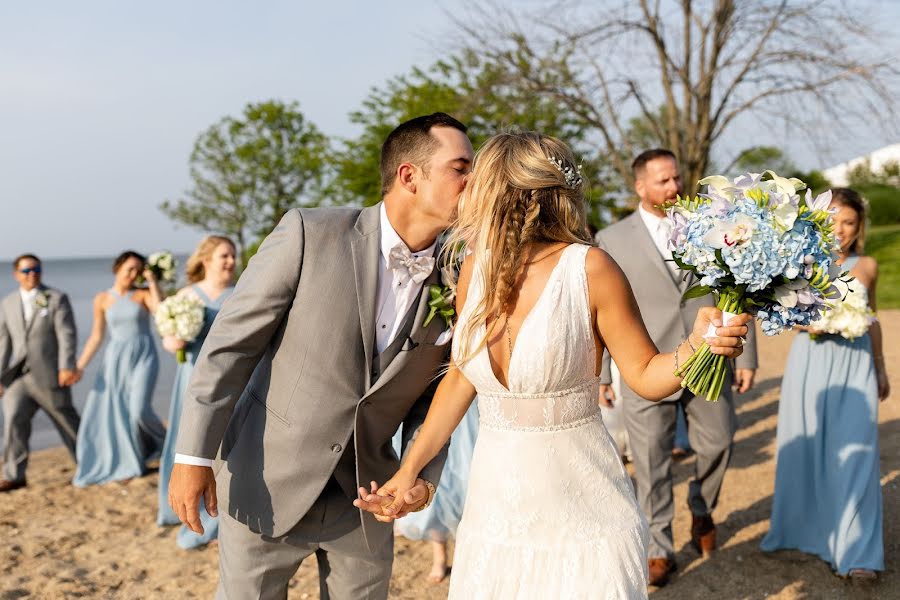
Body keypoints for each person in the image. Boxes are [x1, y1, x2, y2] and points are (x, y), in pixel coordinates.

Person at [360, 131, 750, 599]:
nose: (468, 194)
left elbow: (646, 377)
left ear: (507, 193)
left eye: (479, 181)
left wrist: (700, 344)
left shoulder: (590, 268)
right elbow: (462, 377)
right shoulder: (472, 270)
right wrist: (410, 470)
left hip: (583, 511)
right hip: (494, 516)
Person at [167, 113, 474, 599]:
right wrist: (191, 457)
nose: (474, 181)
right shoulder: (311, 232)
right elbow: (230, 347)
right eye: (462, 167)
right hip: (266, 483)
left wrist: (421, 481)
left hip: (368, 498)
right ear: (409, 176)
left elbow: (437, 392)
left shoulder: (461, 277)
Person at [595, 149, 758, 586]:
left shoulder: (714, 225)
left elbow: (739, 286)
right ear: (640, 186)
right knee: (650, 463)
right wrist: (603, 374)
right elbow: (603, 310)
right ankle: (659, 547)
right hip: (644, 364)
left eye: (676, 179)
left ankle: (701, 508)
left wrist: (750, 354)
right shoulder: (611, 239)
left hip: (710, 357)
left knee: (720, 441)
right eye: (663, 181)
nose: (673, 187)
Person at [761, 188, 890, 580]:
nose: (841, 229)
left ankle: (860, 553)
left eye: (850, 222)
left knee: (859, 452)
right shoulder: (798, 262)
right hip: (811, 361)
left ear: (859, 227)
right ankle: (807, 531)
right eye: (833, 219)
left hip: (856, 361)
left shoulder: (866, 265)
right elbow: (777, 311)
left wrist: (881, 365)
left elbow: (874, 317)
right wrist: (807, 321)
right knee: (809, 446)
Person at [156, 236, 236, 549]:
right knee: (187, 445)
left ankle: (218, 516)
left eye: (232, 256)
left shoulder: (240, 294)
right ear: (206, 259)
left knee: (222, 449)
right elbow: (168, 335)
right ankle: (182, 506)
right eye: (224, 256)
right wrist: (173, 341)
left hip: (229, 381)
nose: (230, 261)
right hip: (191, 381)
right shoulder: (187, 295)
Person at [72, 251, 166, 486]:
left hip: (144, 356)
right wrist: (79, 366)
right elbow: (96, 336)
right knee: (119, 412)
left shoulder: (143, 294)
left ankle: (167, 444)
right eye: (129, 269)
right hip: (115, 359)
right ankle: (132, 460)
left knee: (138, 409)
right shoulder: (102, 299)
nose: (133, 274)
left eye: (138, 270)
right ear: (117, 268)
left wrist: (152, 281)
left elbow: (161, 312)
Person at [0, 254, 79, 492]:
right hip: (18, 377)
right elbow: (4, 343)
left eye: (36, 269)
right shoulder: (8, 303)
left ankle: (87, 464)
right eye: (26, 271)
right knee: (13, 420)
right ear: (16, 275)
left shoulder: (56, 298)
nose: (31, 274)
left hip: (50, 374)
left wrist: (67, 366)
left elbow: (67, 335)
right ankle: (14, 474)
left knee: (66, 421)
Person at [391, 402, 478, 583]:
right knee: (429, 479)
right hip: (426, 402)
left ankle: (469, 552)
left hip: (464, 408)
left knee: (466, 476)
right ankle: (439, 550)